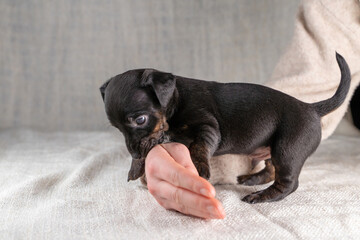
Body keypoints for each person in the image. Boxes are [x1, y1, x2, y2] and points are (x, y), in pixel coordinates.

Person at [146, 0, 360, 219]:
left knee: (287, 147)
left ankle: (283, 185)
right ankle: (270, 172)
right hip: (286, 122)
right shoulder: (337, 12)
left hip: (302, 128)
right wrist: (175, 157)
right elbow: (308, 85)